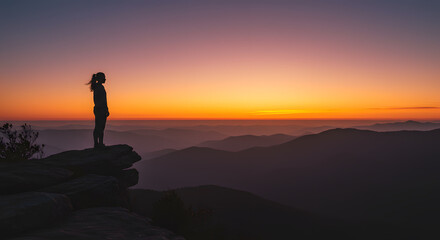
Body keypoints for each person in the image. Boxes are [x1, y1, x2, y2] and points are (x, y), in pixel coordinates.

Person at [87, 72, 109, 148]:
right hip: (100, 109)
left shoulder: (97, 87)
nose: (105, 79)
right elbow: (102, 100)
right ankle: (99, 144)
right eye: (104, 78)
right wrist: (105, 109)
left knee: (98, 127)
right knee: (100, 127)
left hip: (98, 109)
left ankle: (97, 143)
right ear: (100, 78)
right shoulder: (99, 87)